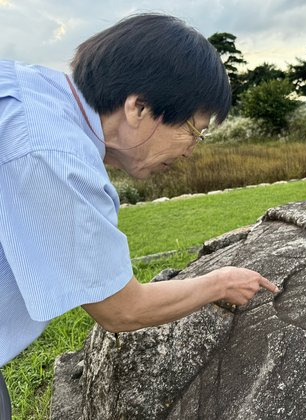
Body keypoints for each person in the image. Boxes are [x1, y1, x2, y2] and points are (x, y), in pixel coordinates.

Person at [0, 13, 278, 416]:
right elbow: (122, 308)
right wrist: (220, 282)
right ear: (139, 107)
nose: (191, 149)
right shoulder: (55, 156)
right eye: (194, 129)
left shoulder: (26, 92)